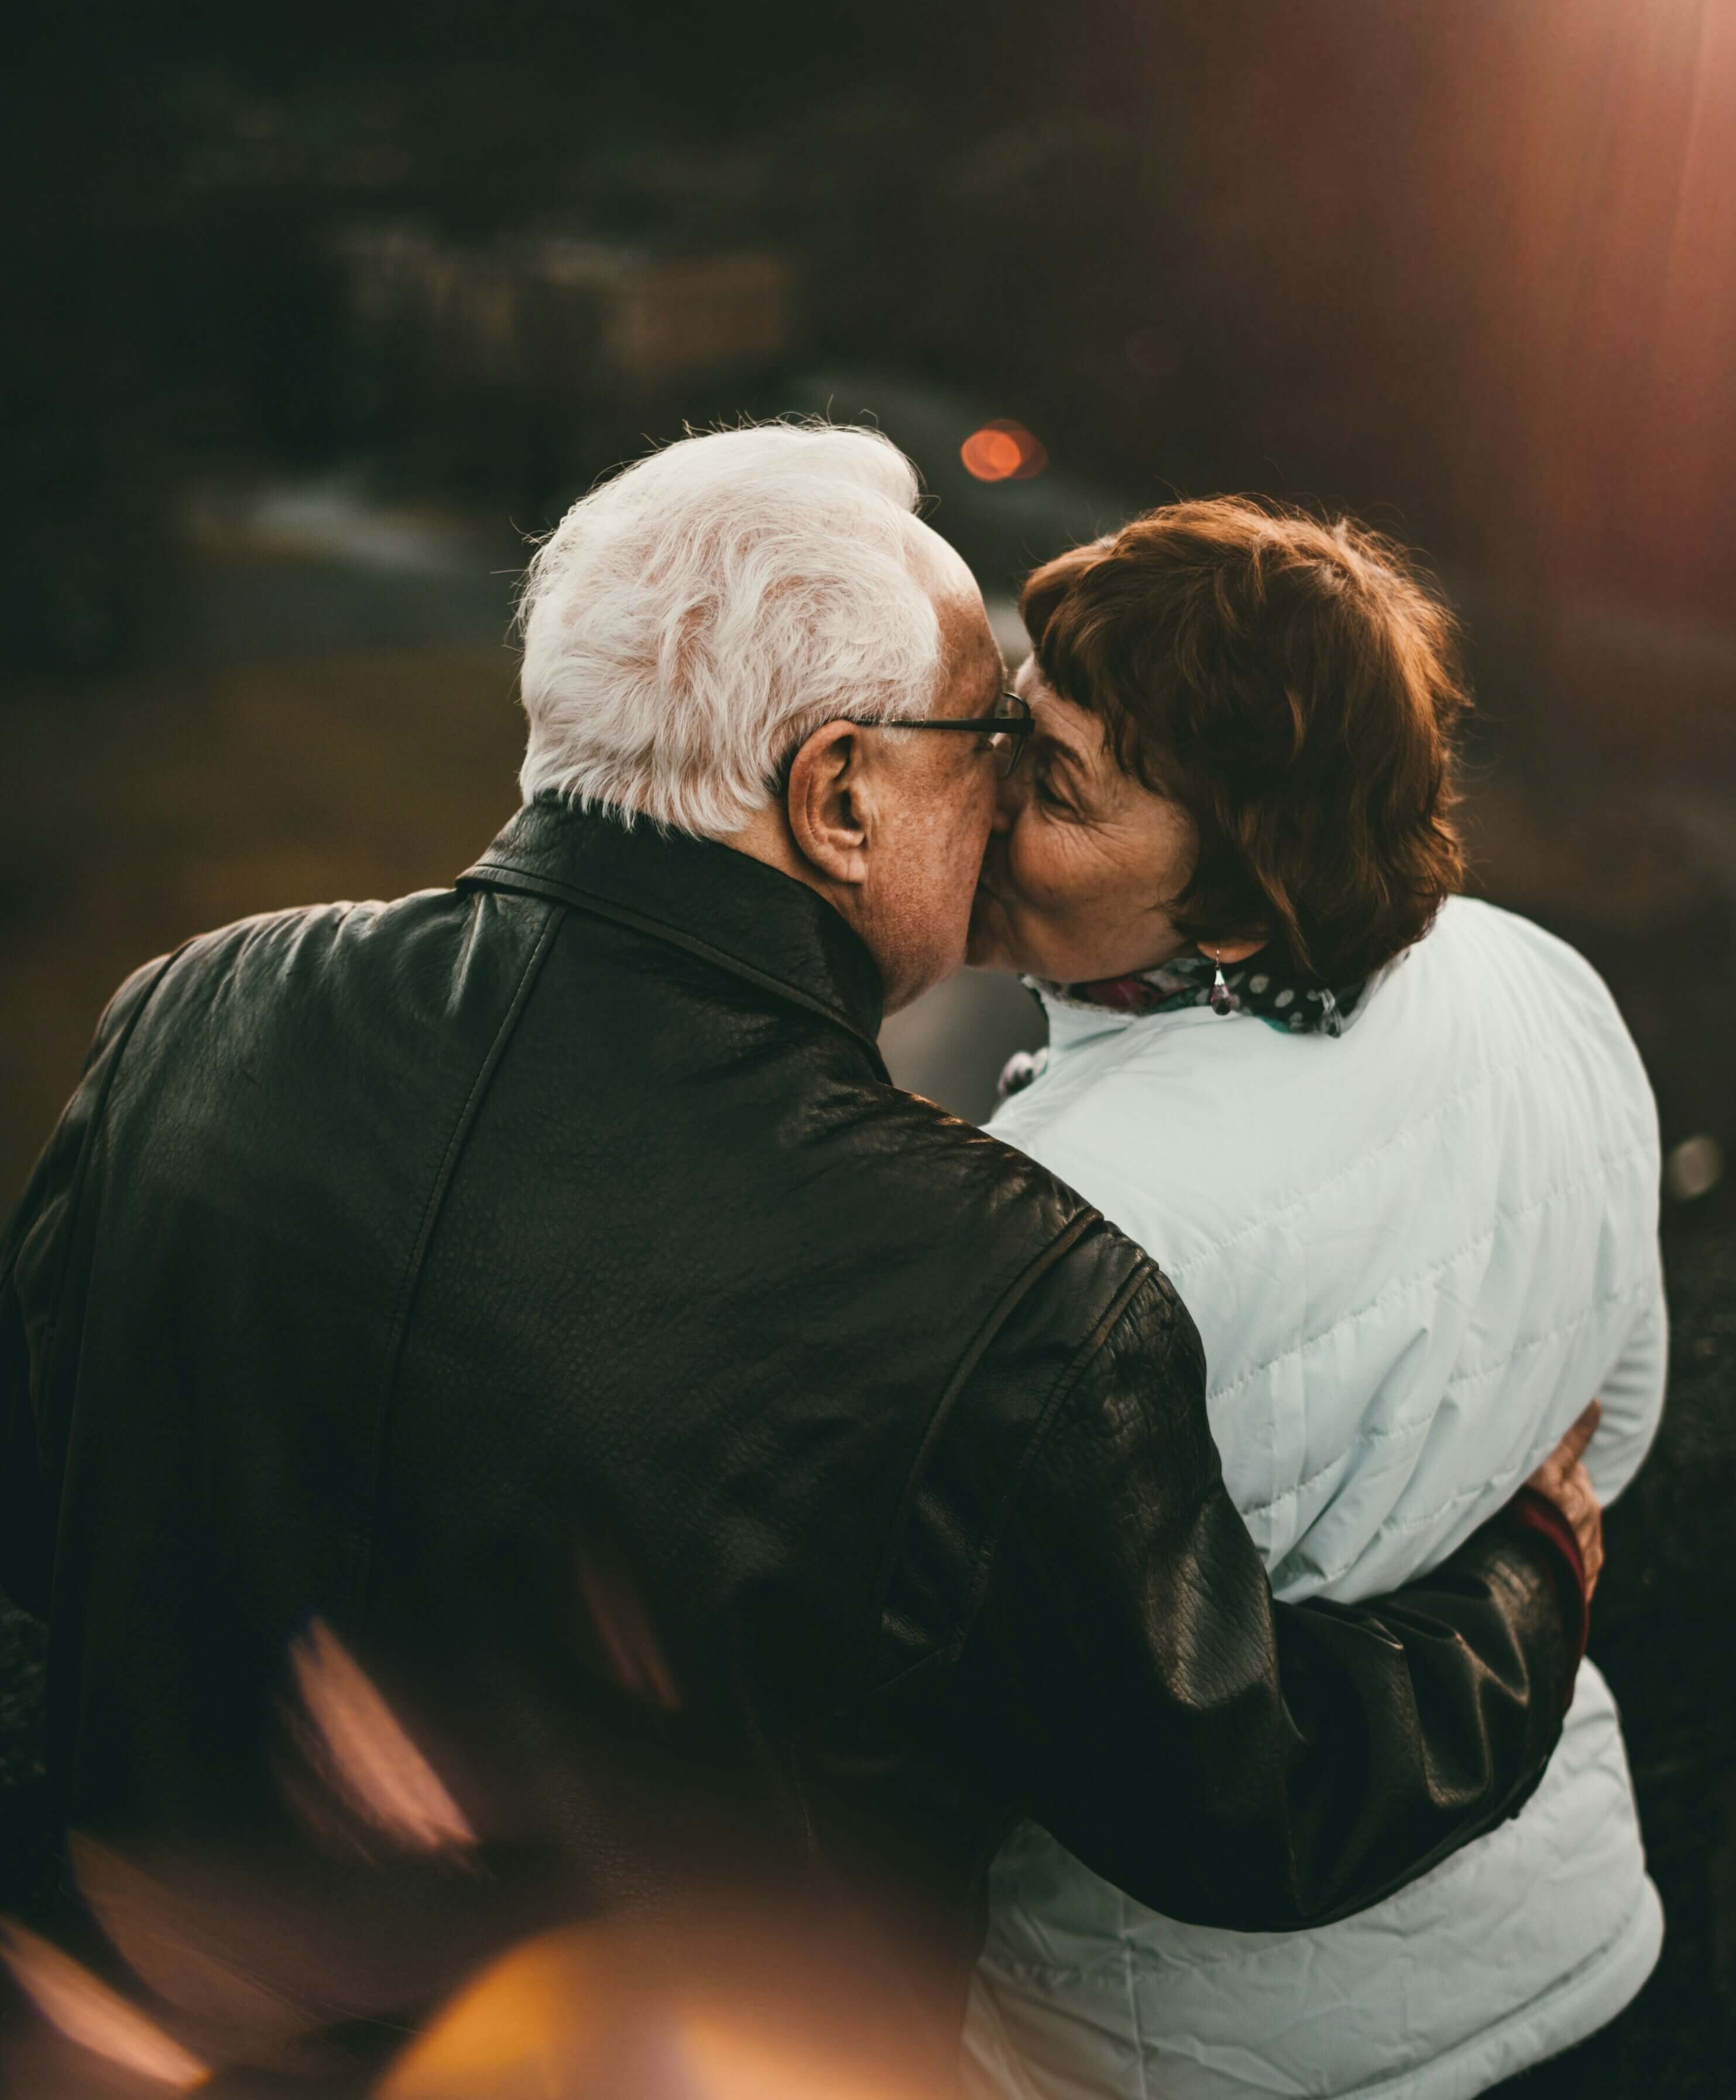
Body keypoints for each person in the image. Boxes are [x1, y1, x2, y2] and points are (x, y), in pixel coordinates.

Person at [1, 429, 1598, 2074]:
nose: (1008, 788)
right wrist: (1527, 1581)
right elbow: (1250, 1800)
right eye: (988, 737)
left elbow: (34, 1497)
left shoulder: (191, 1008)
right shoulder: (1000, 1287)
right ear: (838, 795)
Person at [962, 499, 1665, 2100]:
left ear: (1232, 905)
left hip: (1194, 2048)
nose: (986, 798)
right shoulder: (1538, 975)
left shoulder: (1042, 1218)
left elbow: (1026, 1724)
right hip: (1569, 1935)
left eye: (1055, 784)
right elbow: (1608, 1430)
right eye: (1014, 724)